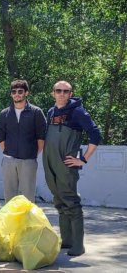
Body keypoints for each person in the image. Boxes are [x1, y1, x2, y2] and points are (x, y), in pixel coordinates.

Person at [43, 81, 101, 256]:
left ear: (70, 93)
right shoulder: (51, 112)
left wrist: (83, 159)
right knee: (59, 201)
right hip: (50, 163)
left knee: (71, 201)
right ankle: (66, 240)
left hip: (66, 165)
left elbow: (95, 134)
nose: (61, 93)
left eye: (65, 91)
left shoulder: (77, 112)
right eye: (58, 90)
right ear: (53, 93)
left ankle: (78, 244)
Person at [0, 80, 46, 203]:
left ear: (26, 93)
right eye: (14, 92)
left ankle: (28, 222)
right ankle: (10, 223)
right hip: (9, 161)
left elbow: (41, 137)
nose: (17, 94)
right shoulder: (5, 113)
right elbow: (1, 137)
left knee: (28, 199)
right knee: (9, 199)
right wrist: (9, 153)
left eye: (20, 91)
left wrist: (31, 153)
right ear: (11, 94)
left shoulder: (36, 112)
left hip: (28, 161)